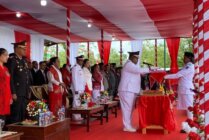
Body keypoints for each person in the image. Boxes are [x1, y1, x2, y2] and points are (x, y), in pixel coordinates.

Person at [118, 51, 149, 132]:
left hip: (131, 90)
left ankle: (128, 125)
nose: (137, 60)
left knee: (130, 109)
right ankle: (127, 126)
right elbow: (138, 70)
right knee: (127, 109)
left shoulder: (132, 65)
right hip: (127, 90)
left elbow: (138, 73)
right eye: (136, 58)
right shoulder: (129, 64)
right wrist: (150, 69)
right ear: (131, 57)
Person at [164, 52, 195, 120]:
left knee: (189, 108)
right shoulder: (186, 65)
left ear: (189, 58)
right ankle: (189, 125)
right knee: (188, 108)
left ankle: (192, 125)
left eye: (185, 57)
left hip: (187, 89)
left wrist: (165, 76)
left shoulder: (189, 66)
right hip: (184, 88)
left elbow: (178, 75)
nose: (183, 59)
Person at [7, 41, 31, 123]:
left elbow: (26, 77)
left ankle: (21, 131)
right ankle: (14, 132)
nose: (25, 50)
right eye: (23, 49)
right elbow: (10, 78)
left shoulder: (24, 61)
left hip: (24, 91)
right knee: (15, 114)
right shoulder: (12, 60)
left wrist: (28, 90)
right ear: (17, 49)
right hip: (17, 92)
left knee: (23, 113)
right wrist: (13, 92)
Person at [71, 55, 85, 121]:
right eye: (80, 60)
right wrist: (76, 89)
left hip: (81, 88)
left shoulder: (80, 68)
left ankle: (79, 115)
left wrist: (83, 87)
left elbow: (82, 79)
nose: (82, 62)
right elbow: (74, 79)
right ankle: (75, 116)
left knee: (79, 102)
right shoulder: (75, 68)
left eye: (82, 60)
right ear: (77, 60)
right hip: (77, 88)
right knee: (76, 102)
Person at [0, 48, 12, 122]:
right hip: (0, 95)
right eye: (5, 55)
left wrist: (10, 96)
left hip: (6, 95)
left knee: (3, 117)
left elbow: (8, 83)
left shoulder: (6, 68)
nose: (7, 56)